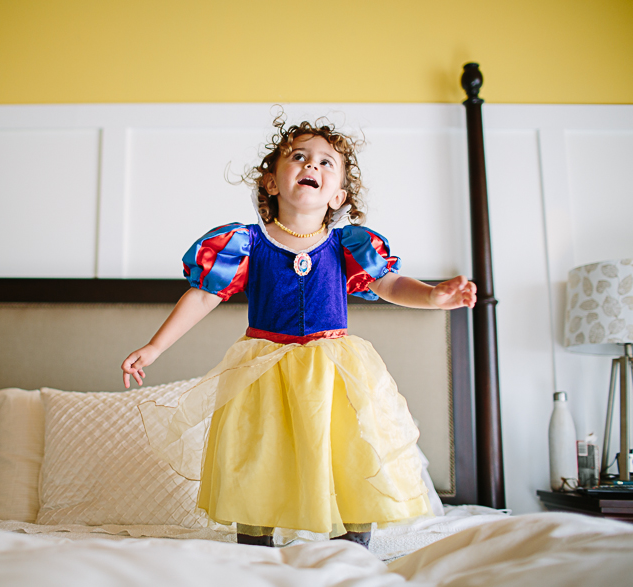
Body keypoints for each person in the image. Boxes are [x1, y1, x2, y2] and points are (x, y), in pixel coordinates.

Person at [121, 116, 476, 548]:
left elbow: (389, 284)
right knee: (259, 448)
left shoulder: (348, 245)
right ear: (271, 182)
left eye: (328, 163)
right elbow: (202, 296)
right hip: (264, 367)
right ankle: (255, 542)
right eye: (299, 157)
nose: (313, 166)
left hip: (332, 367)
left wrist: (436, 296)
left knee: (346, 445)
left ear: (338, 195)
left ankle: (352, 545)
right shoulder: (246, 243)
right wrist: (156, 347)